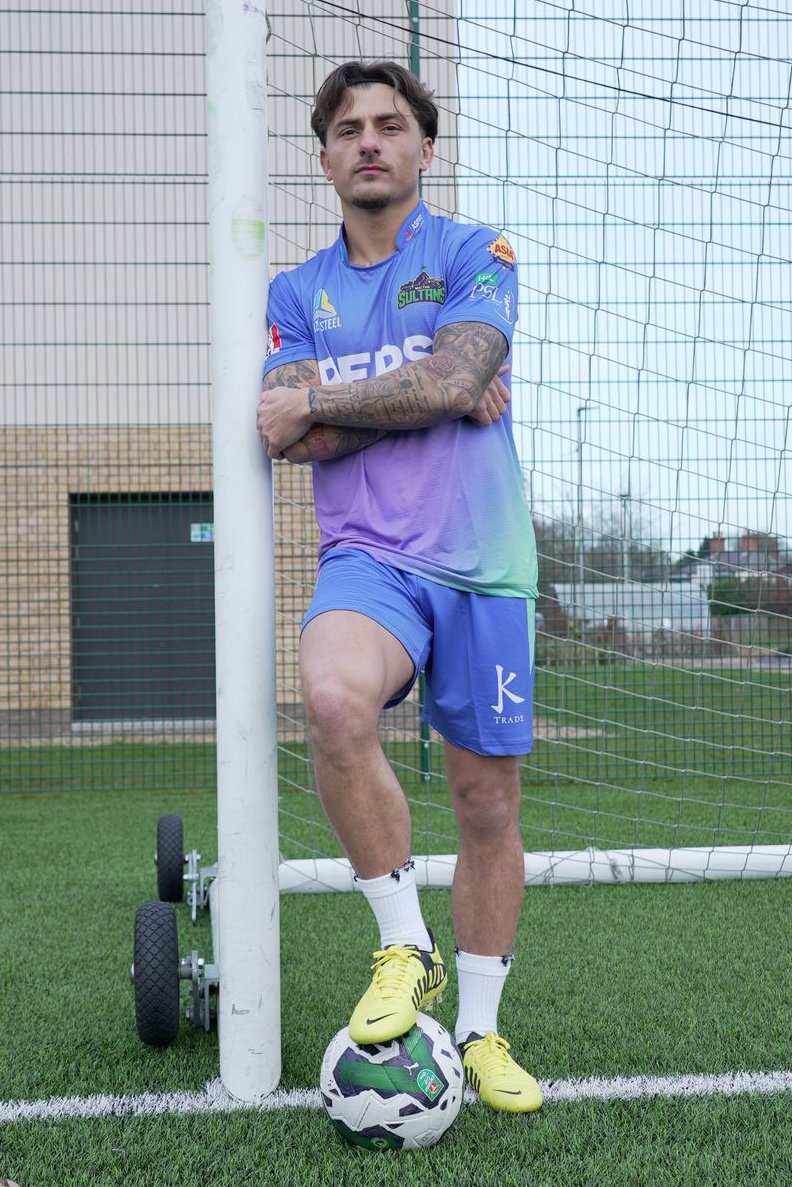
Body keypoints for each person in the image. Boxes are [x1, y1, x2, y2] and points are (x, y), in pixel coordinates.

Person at [257, 60, 542, 1114]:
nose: (369, 141)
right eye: (348, 129)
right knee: (332, 697)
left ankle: (480, 1031)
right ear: (324, 158)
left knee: (485, 801)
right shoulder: (296, 292)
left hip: (484, 565)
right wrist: (425, 389)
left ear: (425, 146)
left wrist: (338, 398)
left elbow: (454, 377)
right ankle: (404, 943)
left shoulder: (476, 251)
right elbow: (287, 432)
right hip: (367, 557)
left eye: (389, 125)